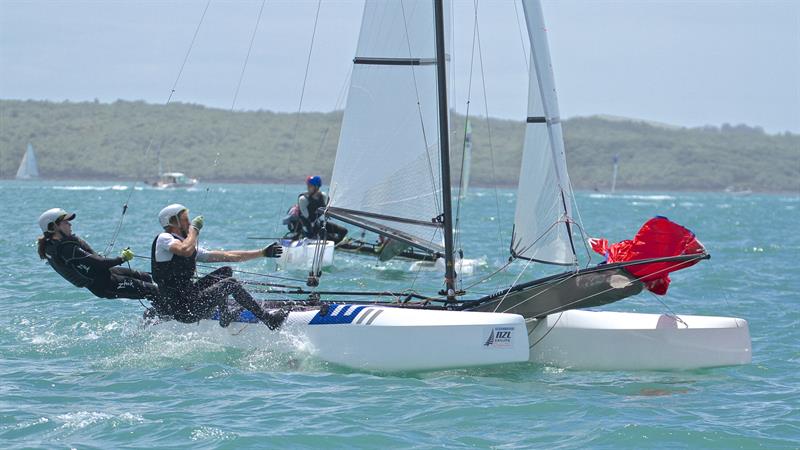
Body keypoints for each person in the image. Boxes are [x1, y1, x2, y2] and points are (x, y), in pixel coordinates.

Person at [151, 203, 286, 329]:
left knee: (225, 272)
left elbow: (228, 255)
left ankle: (225, 315)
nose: (190, 223)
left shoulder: (189, 246)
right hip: (183, 310)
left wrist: (262, 253)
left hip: (190, 299)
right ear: (173, 222)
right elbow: (184, 249)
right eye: (186, 220)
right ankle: (269, 320)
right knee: (231, 284)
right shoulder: (164, 238)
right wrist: (195, 231)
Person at [37, 208, 159, 300]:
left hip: (107, 274)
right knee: (155, 291)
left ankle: (159, 313)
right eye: (65, 222)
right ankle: (164, 318)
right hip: (106, 284)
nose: (70, 224)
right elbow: (100, 264)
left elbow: (91, 263)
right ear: (53, 227)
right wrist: (122, 258)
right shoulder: (66, 249)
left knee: (146, 277)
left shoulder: (54, 246)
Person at [297, 175, 348, 244]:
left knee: (344, 231)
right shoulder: (303, 199)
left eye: (310, 186)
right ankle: (334, 243)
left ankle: (336, 244)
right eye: (308, 185)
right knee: (328, 238)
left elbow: (327, 209)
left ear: (317, 187)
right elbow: (309, 217)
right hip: (308, 227)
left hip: (318, 224)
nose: (308, 188)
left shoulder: (323, 196)